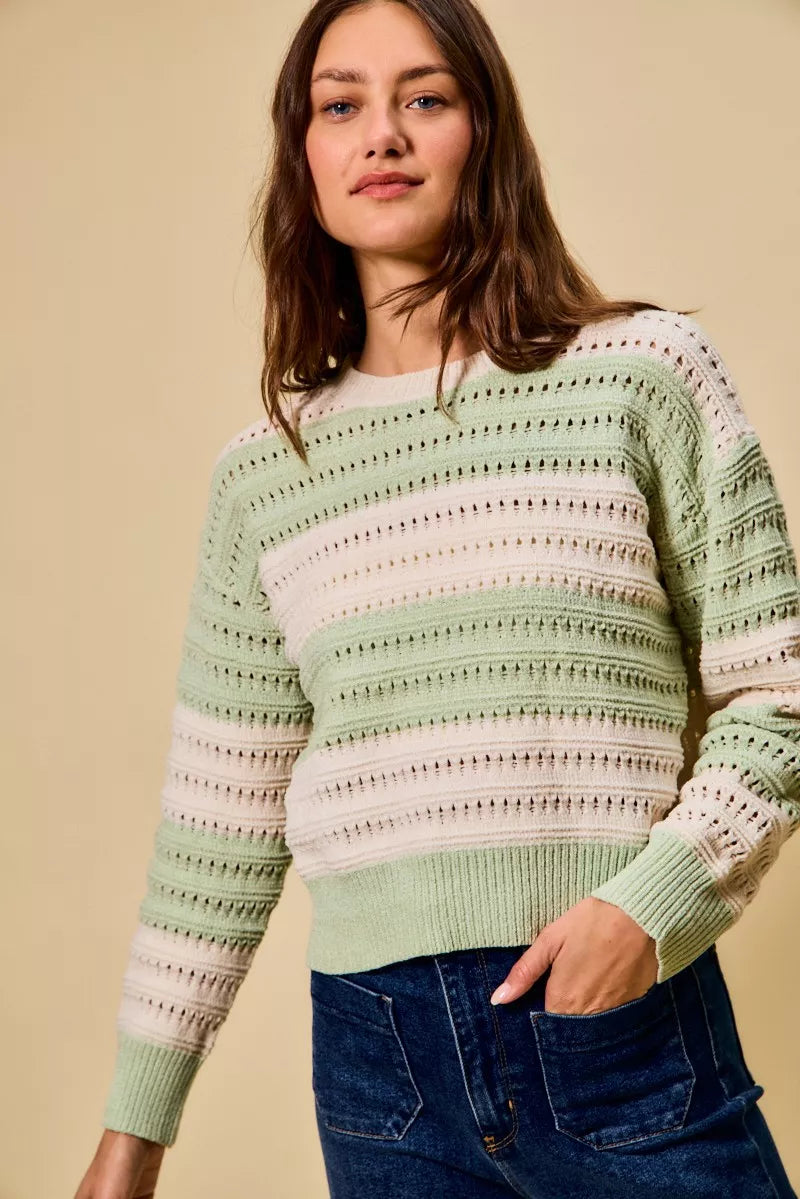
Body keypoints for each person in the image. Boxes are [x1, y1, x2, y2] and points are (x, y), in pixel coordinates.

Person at [74, 1, 800, 1196]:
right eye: (340, 105)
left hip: (618, 1029)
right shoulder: (266, 474)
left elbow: (777, 692)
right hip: (379, 1068)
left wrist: (645, 909)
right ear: (303, 158)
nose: (382, 135)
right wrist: (131, 1134)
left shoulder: (639, 375)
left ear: (484, 133)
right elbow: (216, 827)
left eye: (424, 97)